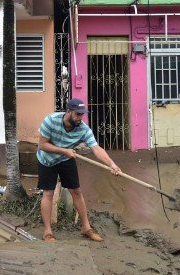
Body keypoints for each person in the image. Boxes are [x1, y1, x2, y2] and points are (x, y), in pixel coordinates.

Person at [37, 98, 121, 242]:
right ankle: (47, 232)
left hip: (66, 159)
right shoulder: (50, 121)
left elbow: (96, 148)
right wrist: (64, 151)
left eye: (82, 114)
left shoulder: (83, 129)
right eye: (77, 114)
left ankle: (86, 228)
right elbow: (42, 145)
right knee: (48, 193)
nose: (80, 117)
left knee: (76, 191)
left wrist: (112, 164)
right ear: (68, 111)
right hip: (47, 160)